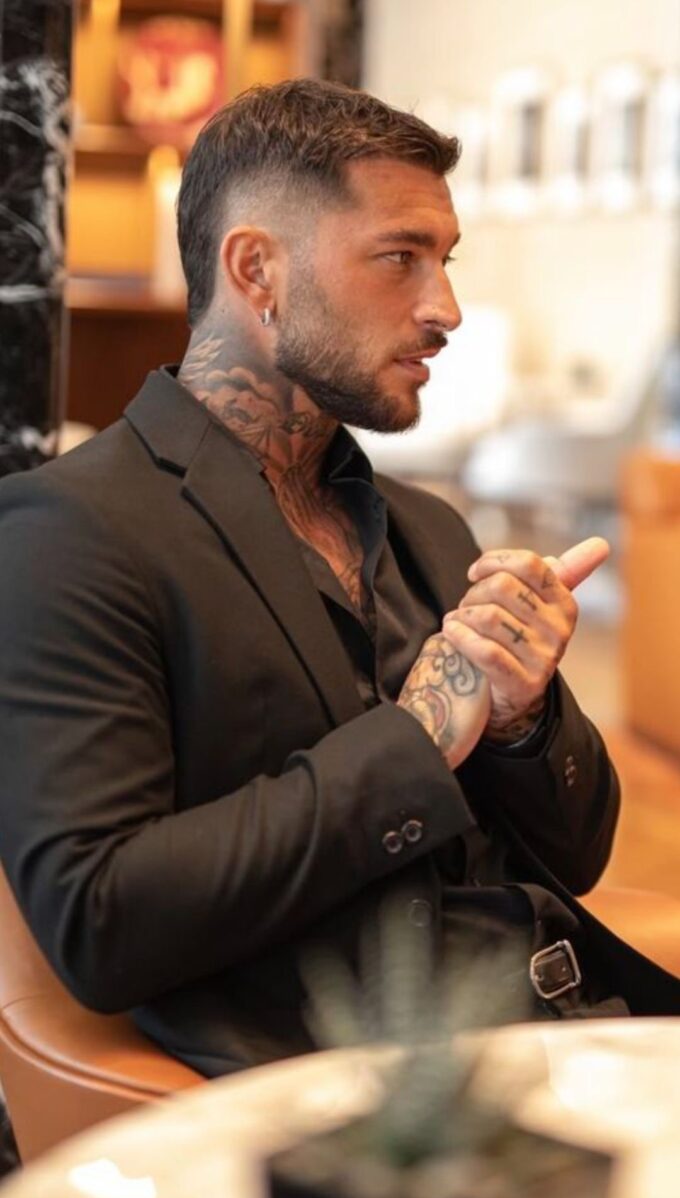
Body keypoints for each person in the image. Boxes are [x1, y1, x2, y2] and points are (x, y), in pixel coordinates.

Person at [0, 79, 677, 1079]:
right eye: (399, 257)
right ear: (256, 269)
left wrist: (522, 717)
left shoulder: (428, 529)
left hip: (567, 1031)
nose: (445, 309)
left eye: (444, 261)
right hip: (361, 1097)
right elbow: (103, 921)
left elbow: (575, 855)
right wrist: (418, 739)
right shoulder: (69, 532)